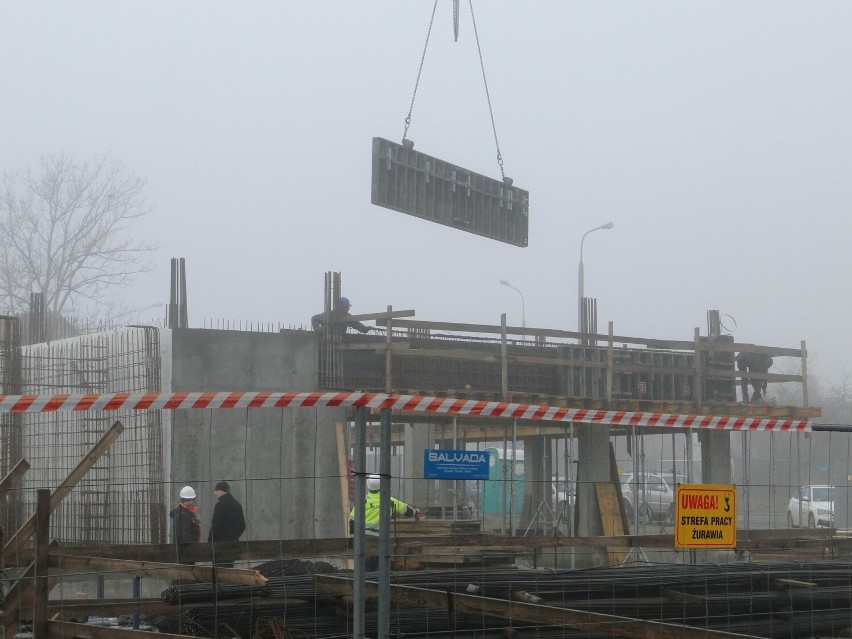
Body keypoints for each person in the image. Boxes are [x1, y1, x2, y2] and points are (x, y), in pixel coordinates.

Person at [348, 474, 420, 571]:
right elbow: (406, 510)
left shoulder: (363, 501)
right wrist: (416, 512)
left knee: (365, 563)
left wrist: (355, 536)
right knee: (378, 562)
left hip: (363, 538)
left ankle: (365, 582)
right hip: (381, 538)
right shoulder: (389, 501)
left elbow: (352, 521)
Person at [208, 481, 246, 567]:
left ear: (223, 491)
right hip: (232, 544)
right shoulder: (237, 505)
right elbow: (242, 525)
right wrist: (233, 537)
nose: (214, 493)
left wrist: (210, 540)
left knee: (218, 572)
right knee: (229, 569)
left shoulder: (220, 505)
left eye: (216, 490)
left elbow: (215, 526)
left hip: (219, 546)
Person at [170, 485, 201, 565]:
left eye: (192, 500)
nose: (191, 502)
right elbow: (185, 535)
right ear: (183, 500)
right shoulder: (183, 514)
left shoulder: (184, 512)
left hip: (184, 552)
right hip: (186, 553)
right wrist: (193, 549)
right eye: (188, 500)